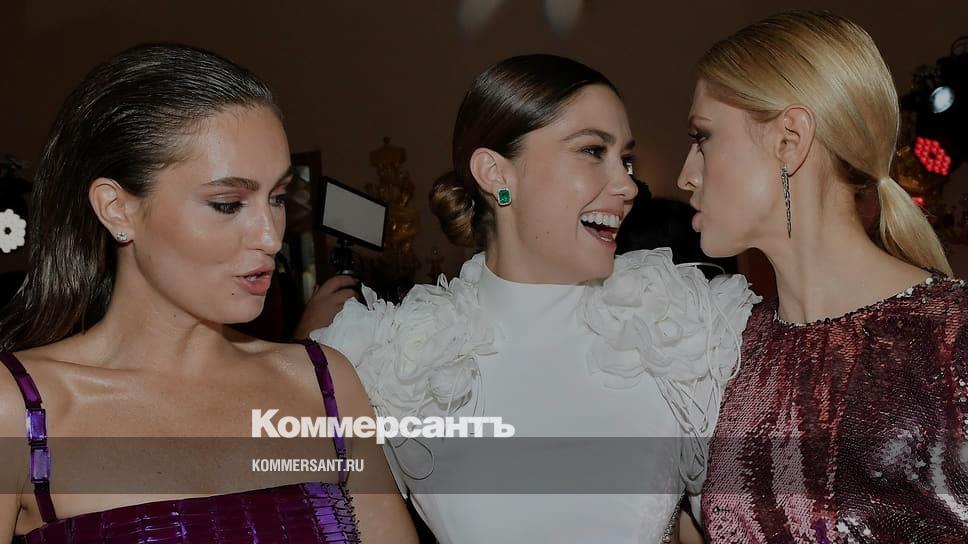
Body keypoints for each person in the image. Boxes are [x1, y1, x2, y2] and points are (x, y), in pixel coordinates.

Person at [312, 54, 760, 543]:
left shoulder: (677, 330)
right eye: (593, 150)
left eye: (625, 160)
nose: (627, 185)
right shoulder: (393, 362)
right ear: (495, 173)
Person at [0, 44, 417, 543]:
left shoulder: (324, 385)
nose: (271, 236)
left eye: (277, 198)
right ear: (117, 209)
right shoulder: (21, 410)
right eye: (227, 203)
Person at [677, 11, 968, 542]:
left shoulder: (952, 341)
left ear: (790, 139)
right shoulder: (727, 349)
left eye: (703, 137)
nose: (686, 175)